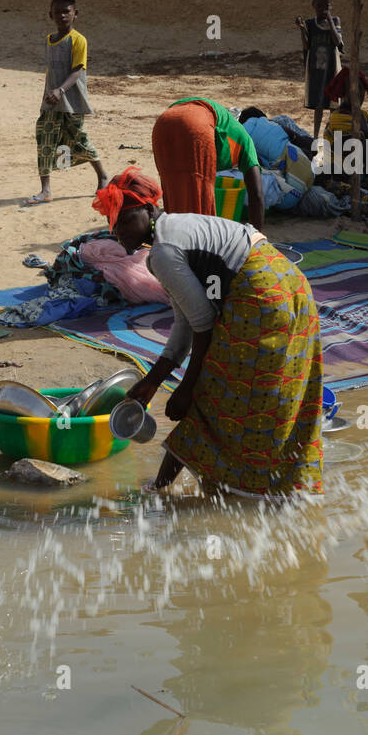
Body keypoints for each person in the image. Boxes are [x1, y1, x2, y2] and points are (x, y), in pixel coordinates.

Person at [92, 168, 323, 498]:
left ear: (149, 210)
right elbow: (187, 321)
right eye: (114, 227)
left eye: (126, 222)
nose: (120, 235)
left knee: (211, 391)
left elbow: (201, 324)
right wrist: (153, 380)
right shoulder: (176, 228)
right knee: (271, 396)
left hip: (260, 296)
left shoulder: (162, 252)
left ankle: (166, 489)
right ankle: (278, 489)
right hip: (292, 285)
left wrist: (185, 389)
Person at [23, 0, 108, 206]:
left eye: (66, 11)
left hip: (72, 102)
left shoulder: (79, 40)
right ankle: (45, 190)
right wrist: (51, 94)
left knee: (78, 139)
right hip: (51, 102)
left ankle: (103, 176)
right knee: (44, 139)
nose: (62, 15)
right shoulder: (49, 40)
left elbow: (78, 71)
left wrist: (60, 90)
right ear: (50, 14)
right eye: (57, 11)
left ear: (75, 14)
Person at [151, 97, 264, 227]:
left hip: (163, 123)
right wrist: (257, 238)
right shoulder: (246, 142)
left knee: (173, 193)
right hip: (195, 123)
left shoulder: (227, 126)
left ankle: (170, 236)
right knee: (201, 201)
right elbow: (257, 195)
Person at [296, 0, 343, 139]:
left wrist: (329, 19)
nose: (323, 9)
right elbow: (306, 45)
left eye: (326, 6)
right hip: (316, 70)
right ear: (313, 5)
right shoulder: (310, 24)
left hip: (331, 70)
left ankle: (332, 134)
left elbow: (337, 42)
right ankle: (316, 136)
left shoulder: (335, 21)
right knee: (318, 104)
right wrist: (302, 29)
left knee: (333, 105)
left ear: (331, 6)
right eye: (319, 6)